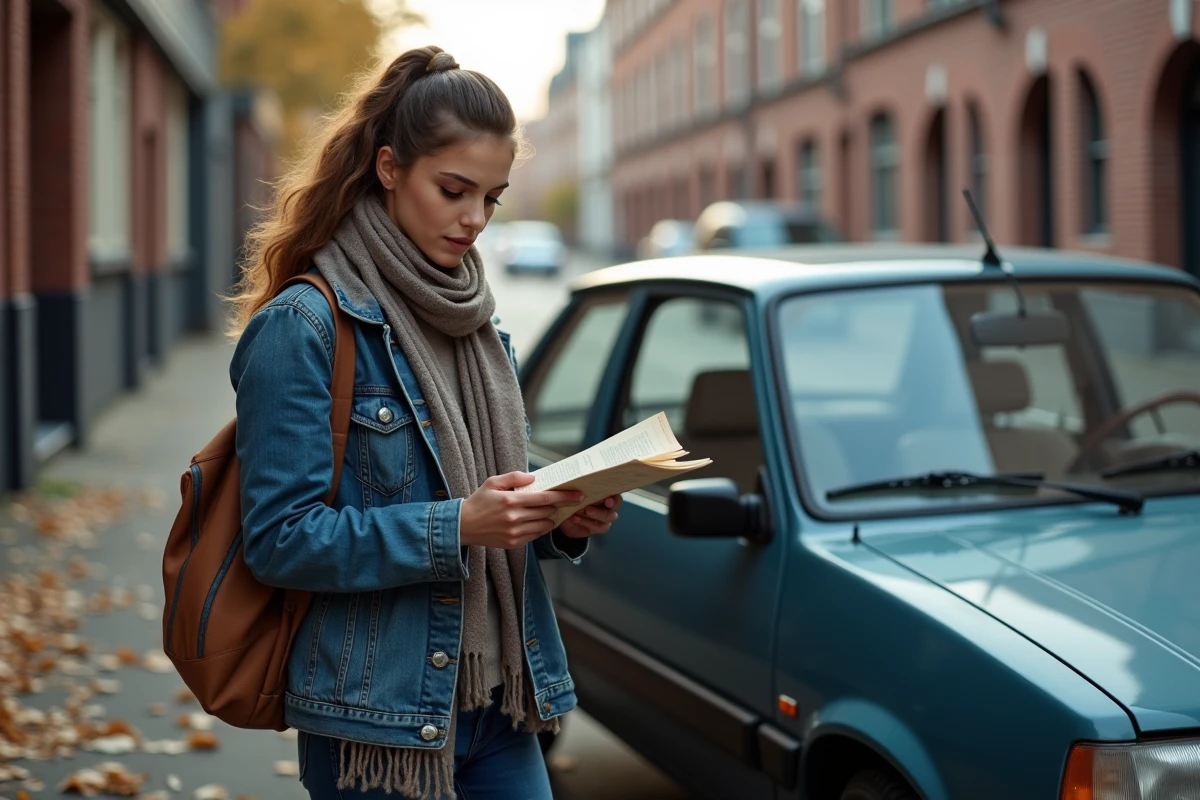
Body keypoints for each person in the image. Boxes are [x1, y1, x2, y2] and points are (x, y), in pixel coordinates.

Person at [227, 45, 620, 800]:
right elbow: (279, 542)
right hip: (375, 717)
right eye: (453, 190)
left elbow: (482, 504)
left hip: (499, 701)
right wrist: (458, 528)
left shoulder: (475, 324)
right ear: (387, 168)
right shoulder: (304, 326)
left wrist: (559, 520)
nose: (474, 219)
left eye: (493, 198)